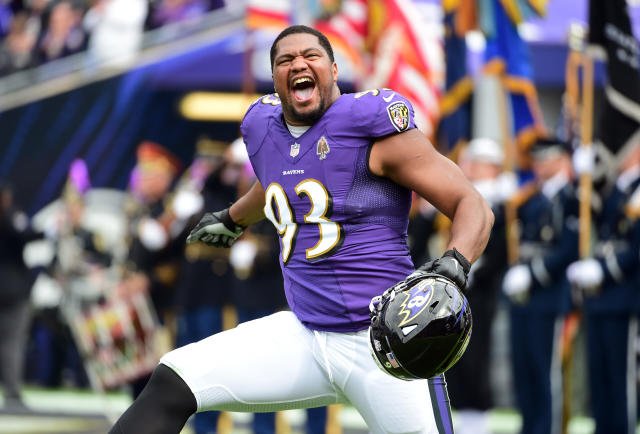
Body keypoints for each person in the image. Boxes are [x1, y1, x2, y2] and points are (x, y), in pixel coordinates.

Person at [109, 24, 493, 434]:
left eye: (311, 56)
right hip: (306, 334)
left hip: (385, 340)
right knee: (172, 381)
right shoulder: (264, 127)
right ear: (275, 78)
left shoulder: (369, 126)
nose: (298, 64)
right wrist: (234, 218)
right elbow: (277, 183)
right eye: (286, 60)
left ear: (333, 69)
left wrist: (455, 263)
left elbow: (472, 205)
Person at [501, 138, 579, 434]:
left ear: (562, 160)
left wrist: (533, 274)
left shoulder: (571, 198)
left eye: (547, 158)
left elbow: (569, 249)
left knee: (546, 372)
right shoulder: (530, 199)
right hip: (522, 299)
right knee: (525, 371)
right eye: (537, 159)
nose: (540, 164)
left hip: (549, 296)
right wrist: (503, 202)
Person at [566, 141, 640, 434]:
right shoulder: (617, 187)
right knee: (600, 381)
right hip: (599, 299)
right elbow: (587, 213)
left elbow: (635, 249)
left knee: (621, 382)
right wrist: (583, 179)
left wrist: (604, 269)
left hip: (625, 298)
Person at [446, 138, 514, 434]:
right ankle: (461, 410)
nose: (470, 167)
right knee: (452, 353)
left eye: (477, 162)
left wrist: (477, 271)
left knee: (476, 352)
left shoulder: (504, 202)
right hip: (454, 285)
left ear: (493, 167)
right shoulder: (462, 195)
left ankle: (477, 416)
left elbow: (502, 249)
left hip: (482, 288)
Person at [0, 182, 43, 411]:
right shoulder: (10, 216)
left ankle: (12, 393)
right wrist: (49, 230)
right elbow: (27, 234)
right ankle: (13, 394)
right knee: (13, 343)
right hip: (14, 292)